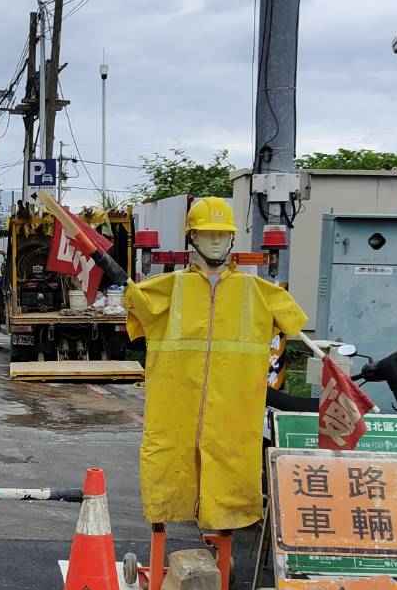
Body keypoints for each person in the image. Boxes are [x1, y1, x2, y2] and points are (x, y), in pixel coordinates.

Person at [124, 197, 306, 531]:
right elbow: (135, 312)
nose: (216, 241)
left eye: (222, 234)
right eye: (208, 234)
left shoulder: (259, 293)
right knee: (169, 467)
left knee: (231, 475)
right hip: (175, 409)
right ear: (191, 237)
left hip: (234, 412)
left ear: (233, 238)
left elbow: (299, 332)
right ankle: (171, 522)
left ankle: (223, 540)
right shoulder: (167, 289)